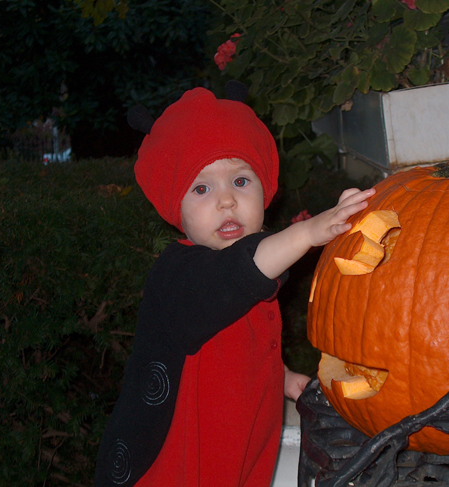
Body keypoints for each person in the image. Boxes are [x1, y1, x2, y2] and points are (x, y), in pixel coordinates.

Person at [94, 87, 375, 487]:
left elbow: (241, 339)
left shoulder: (256, 267)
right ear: (176, 206)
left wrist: (280, 377)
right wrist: (309, 232)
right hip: (177, 465)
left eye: (240, 180)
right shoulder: (178, 275)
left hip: (241, 447)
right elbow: (235, 275)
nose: (226, 201)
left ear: (264, 188)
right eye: (202, 188)